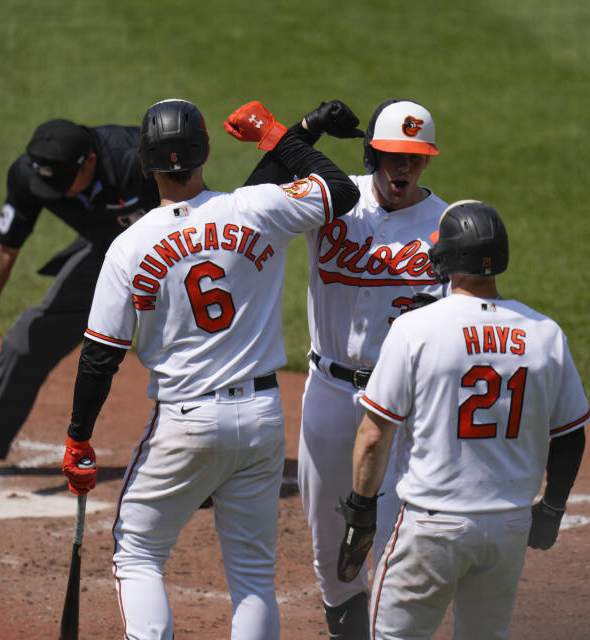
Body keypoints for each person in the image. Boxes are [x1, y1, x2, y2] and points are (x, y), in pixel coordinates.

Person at [60, 98, 359, 640]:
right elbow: (339, 189)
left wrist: (78, 437)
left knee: (138, 552)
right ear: (206, 151)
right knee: (252, 578)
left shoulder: (128, 247)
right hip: (263, 417)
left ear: (146, 165)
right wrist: (285, 133)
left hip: (184, 420)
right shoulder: (254, 209)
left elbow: (100, 355)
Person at [336, 200, 590, 639]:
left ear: (446, 258)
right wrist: (551, 510)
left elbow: (375, 435)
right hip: (508, 526)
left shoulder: (416, 328)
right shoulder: (545, 333)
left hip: (433, 527)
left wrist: (360, 511)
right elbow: (569, 436)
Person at [246, 98, 448, 638]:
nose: (404, 168)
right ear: (371, 152)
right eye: (393, 156)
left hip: (404, 404)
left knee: (388, 542)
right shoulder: (336, 199)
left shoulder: (447, 226)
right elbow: (255, 193)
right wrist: (303, 130)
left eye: (416, 158)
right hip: (330, 396)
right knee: (329, 538)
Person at [0, 118, 159, 476]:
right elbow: (3, 249)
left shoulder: (135, 161)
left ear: (90, 161)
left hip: (172, 258)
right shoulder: (30, 176)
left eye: (62, 184)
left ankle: (208, 461)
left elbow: (194, 215)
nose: (55, 193)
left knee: (181, 348)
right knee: (29, 336)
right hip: (108, 254)